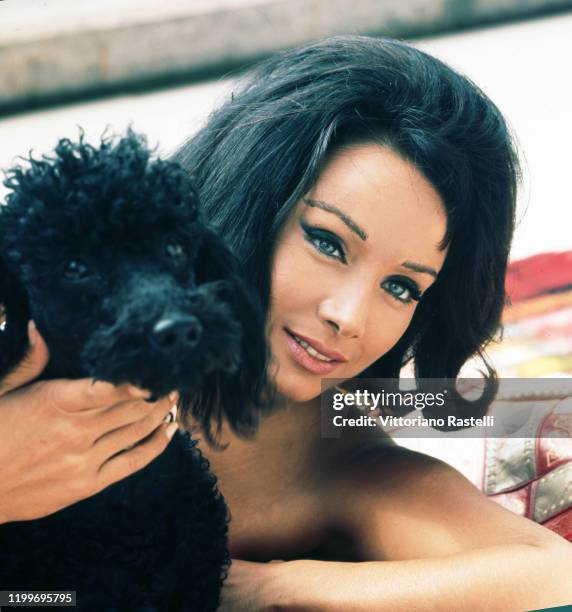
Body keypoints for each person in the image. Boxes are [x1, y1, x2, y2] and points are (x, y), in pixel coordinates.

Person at [1, 35, 571, 610]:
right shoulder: (47, 321)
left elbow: (554, 570)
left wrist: (279, 585)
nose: (347, 318)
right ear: (249, 202)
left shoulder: (346, 458)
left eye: (401, 287)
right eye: (327, 242)